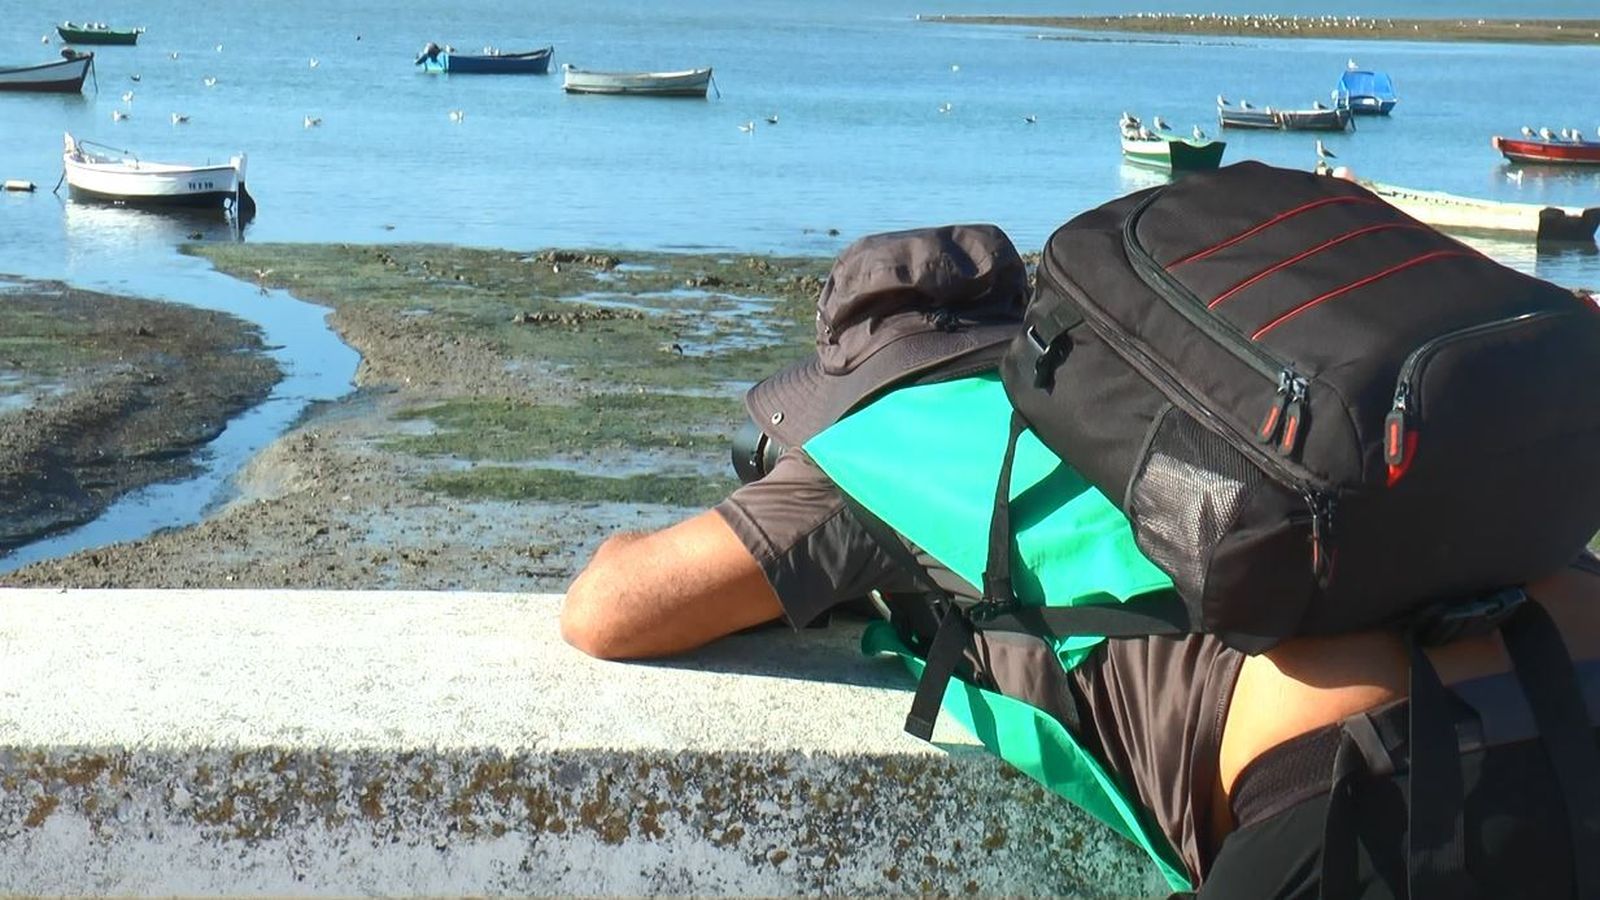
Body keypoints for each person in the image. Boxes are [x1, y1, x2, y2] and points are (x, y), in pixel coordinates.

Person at [562, 223, 1600, 897]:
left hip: (1371, 788)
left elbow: (612, 608)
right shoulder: (1139, 405)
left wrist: (795, 496)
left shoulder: (883, 447)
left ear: (857, 382)